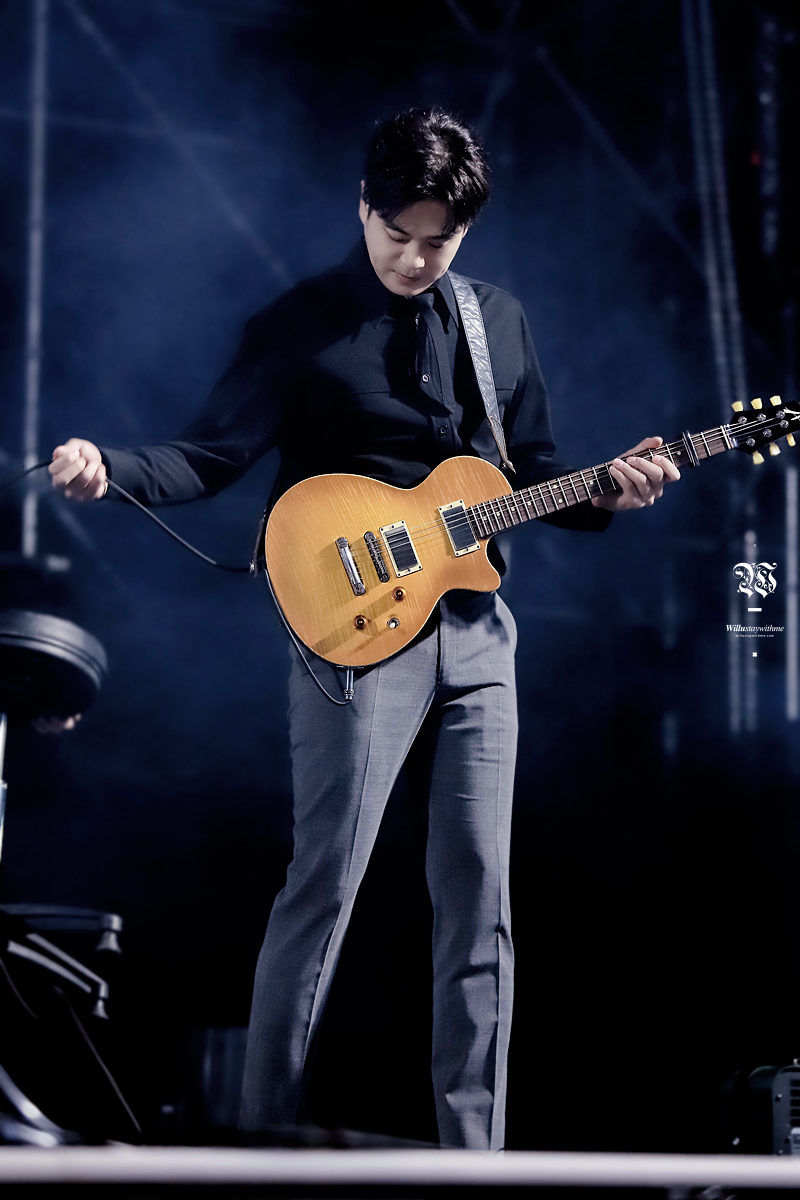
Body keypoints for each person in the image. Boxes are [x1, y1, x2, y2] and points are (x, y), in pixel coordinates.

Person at [49, 107, 680, 1150]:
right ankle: (264, 1143)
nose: (415, 258)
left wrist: (607, 489)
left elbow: (530, 473)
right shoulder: (300, 322)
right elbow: (207, 455)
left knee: (479, 896)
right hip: (354, 627)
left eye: (440, 240)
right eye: (398, 233)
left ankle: (475, 1159)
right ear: (363, 206)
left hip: (477, 631)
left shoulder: (496, 319)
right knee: (324, 887)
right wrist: (107, 467)